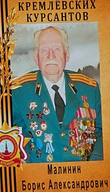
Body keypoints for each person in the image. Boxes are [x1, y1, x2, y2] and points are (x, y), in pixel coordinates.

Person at [9, 26, 102, 164]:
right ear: (36, 56)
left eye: (57, 49)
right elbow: (11, 135)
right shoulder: (18, 91)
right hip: (38, 179)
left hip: (82, 178)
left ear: (67, 54)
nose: (51, 55)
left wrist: (91, 169)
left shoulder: (89, 89)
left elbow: (102, 132)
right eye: (44, 50)